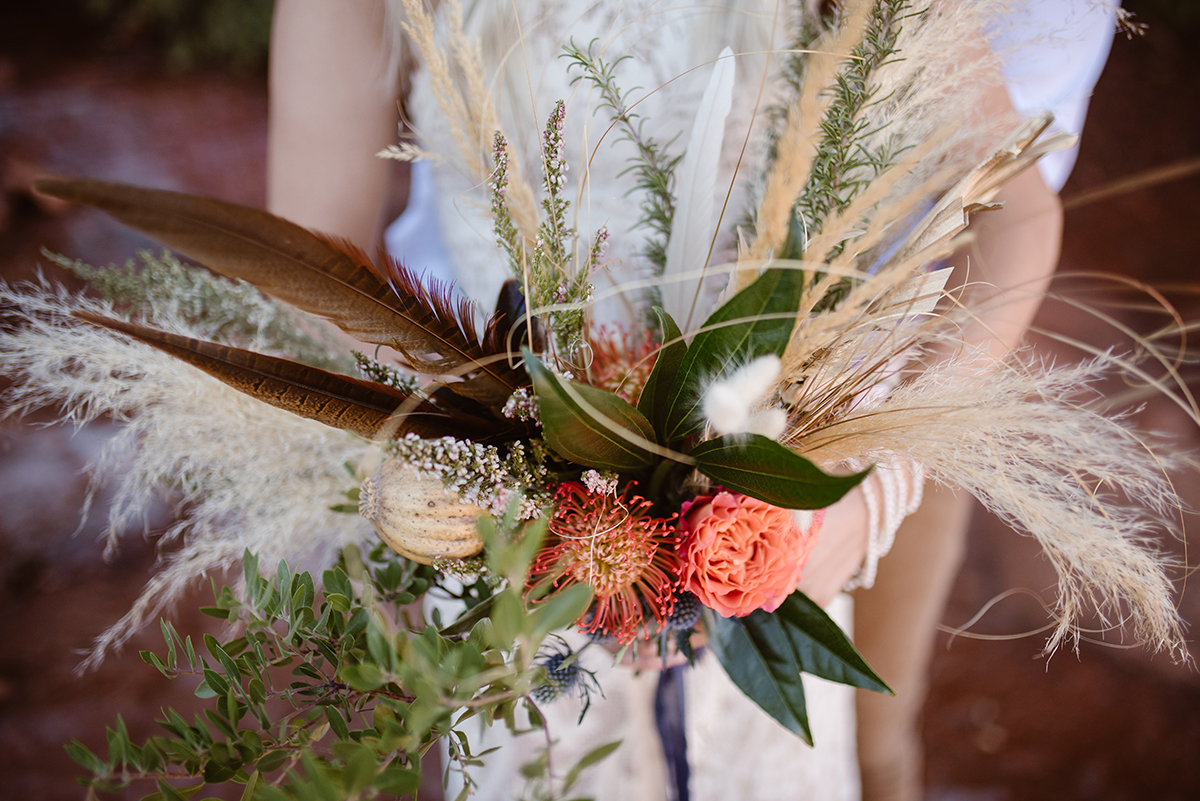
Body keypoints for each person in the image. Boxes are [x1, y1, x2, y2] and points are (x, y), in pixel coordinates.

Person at [265, 1, 1116, 798]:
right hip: (503, 532)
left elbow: (1014, 214)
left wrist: (874, 484)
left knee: (823, 754)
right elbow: (311, 261)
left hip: (781, 514)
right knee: (530, 750)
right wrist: (454, 458)